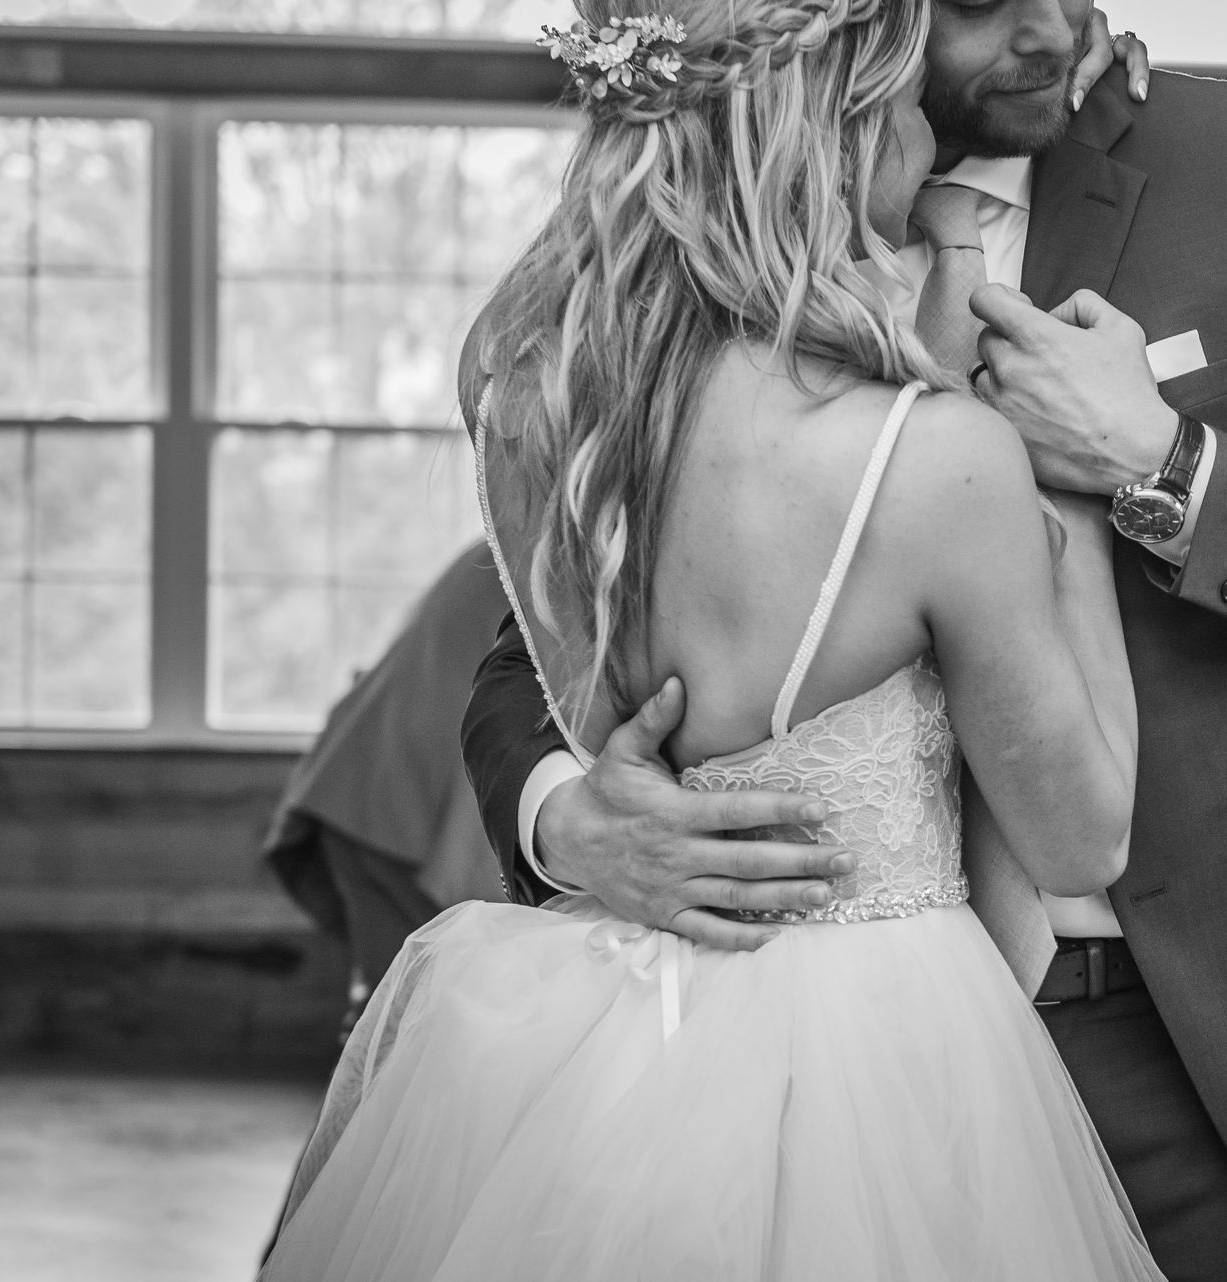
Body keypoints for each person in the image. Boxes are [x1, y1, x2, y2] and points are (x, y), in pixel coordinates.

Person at [464, 2, 1227, 1276]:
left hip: (1214, 1044)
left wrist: (1170, 467)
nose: (1052, 27)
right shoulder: (711, 214)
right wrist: (565, 818)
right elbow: (541, 637)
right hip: (818, 1065)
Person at [261, 2, 1165, 1277]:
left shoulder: (524, 388)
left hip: (601, 1044)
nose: (925, 140)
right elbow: (1084, 835)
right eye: (901, 105)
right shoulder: (942, 461)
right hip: (890, 1044)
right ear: (837, 129)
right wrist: (1069, 493)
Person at [260, 541, 510, 1005]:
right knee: (416, 1023)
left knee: (401, 1016)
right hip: (406, 804)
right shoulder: (556, 552)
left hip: (372, 784)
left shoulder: (503, 540)